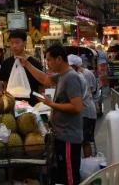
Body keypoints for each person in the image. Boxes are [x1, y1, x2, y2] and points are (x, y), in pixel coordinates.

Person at [19, 44, 84, 185]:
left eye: (49, 60)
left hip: (69, 137)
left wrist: (51, 104)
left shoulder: (71, 77)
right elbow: (45, 79)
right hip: (62, 135)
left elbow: (77, 107)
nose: (47, 63)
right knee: (64, 175)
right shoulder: (62, 75)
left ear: (59, 59)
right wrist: (27, 65)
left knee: (70, 177)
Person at [0, 30, 44, 105]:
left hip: (32, 105)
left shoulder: (35, 63)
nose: (14, 46)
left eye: (17, 42)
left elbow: (41, 88)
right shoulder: (6, 64)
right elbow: (5, 87)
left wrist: (40, 105)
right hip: (12, 105)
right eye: (11, 43)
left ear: (25, 43)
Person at [68, 55, 97, 158]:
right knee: (83, 141)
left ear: (74, 66)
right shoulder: (77, 76)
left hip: (86, 113)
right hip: (85, 112)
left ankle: (88, 163)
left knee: (85, 141)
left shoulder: (79, 77)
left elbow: (82, 96)